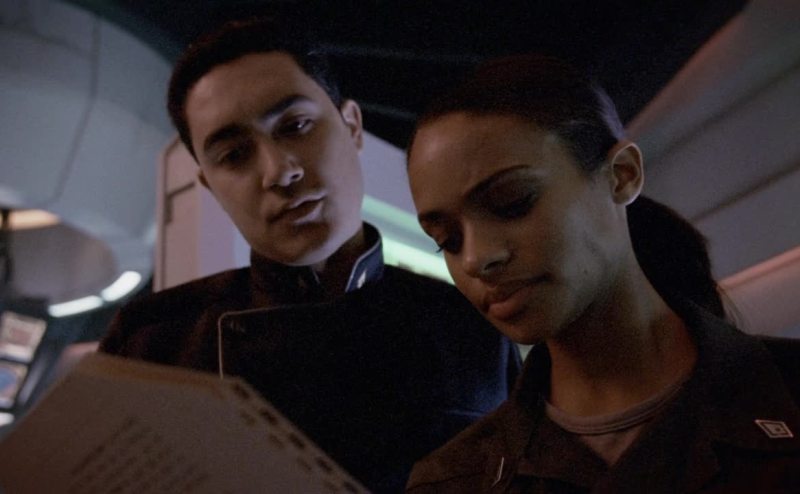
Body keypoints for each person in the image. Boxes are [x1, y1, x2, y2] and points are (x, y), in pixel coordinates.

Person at [99, 16, 520, 493]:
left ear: (352, 126)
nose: (279, 172)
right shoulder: (151, 343)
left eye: (296, 126)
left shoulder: (468, 326)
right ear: (210, 187)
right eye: (234, 155)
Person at [404, 54, 800, 493]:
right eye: (447, 239)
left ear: (621, 176)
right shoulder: (454, 481)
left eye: (513, 202)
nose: (476, 259)